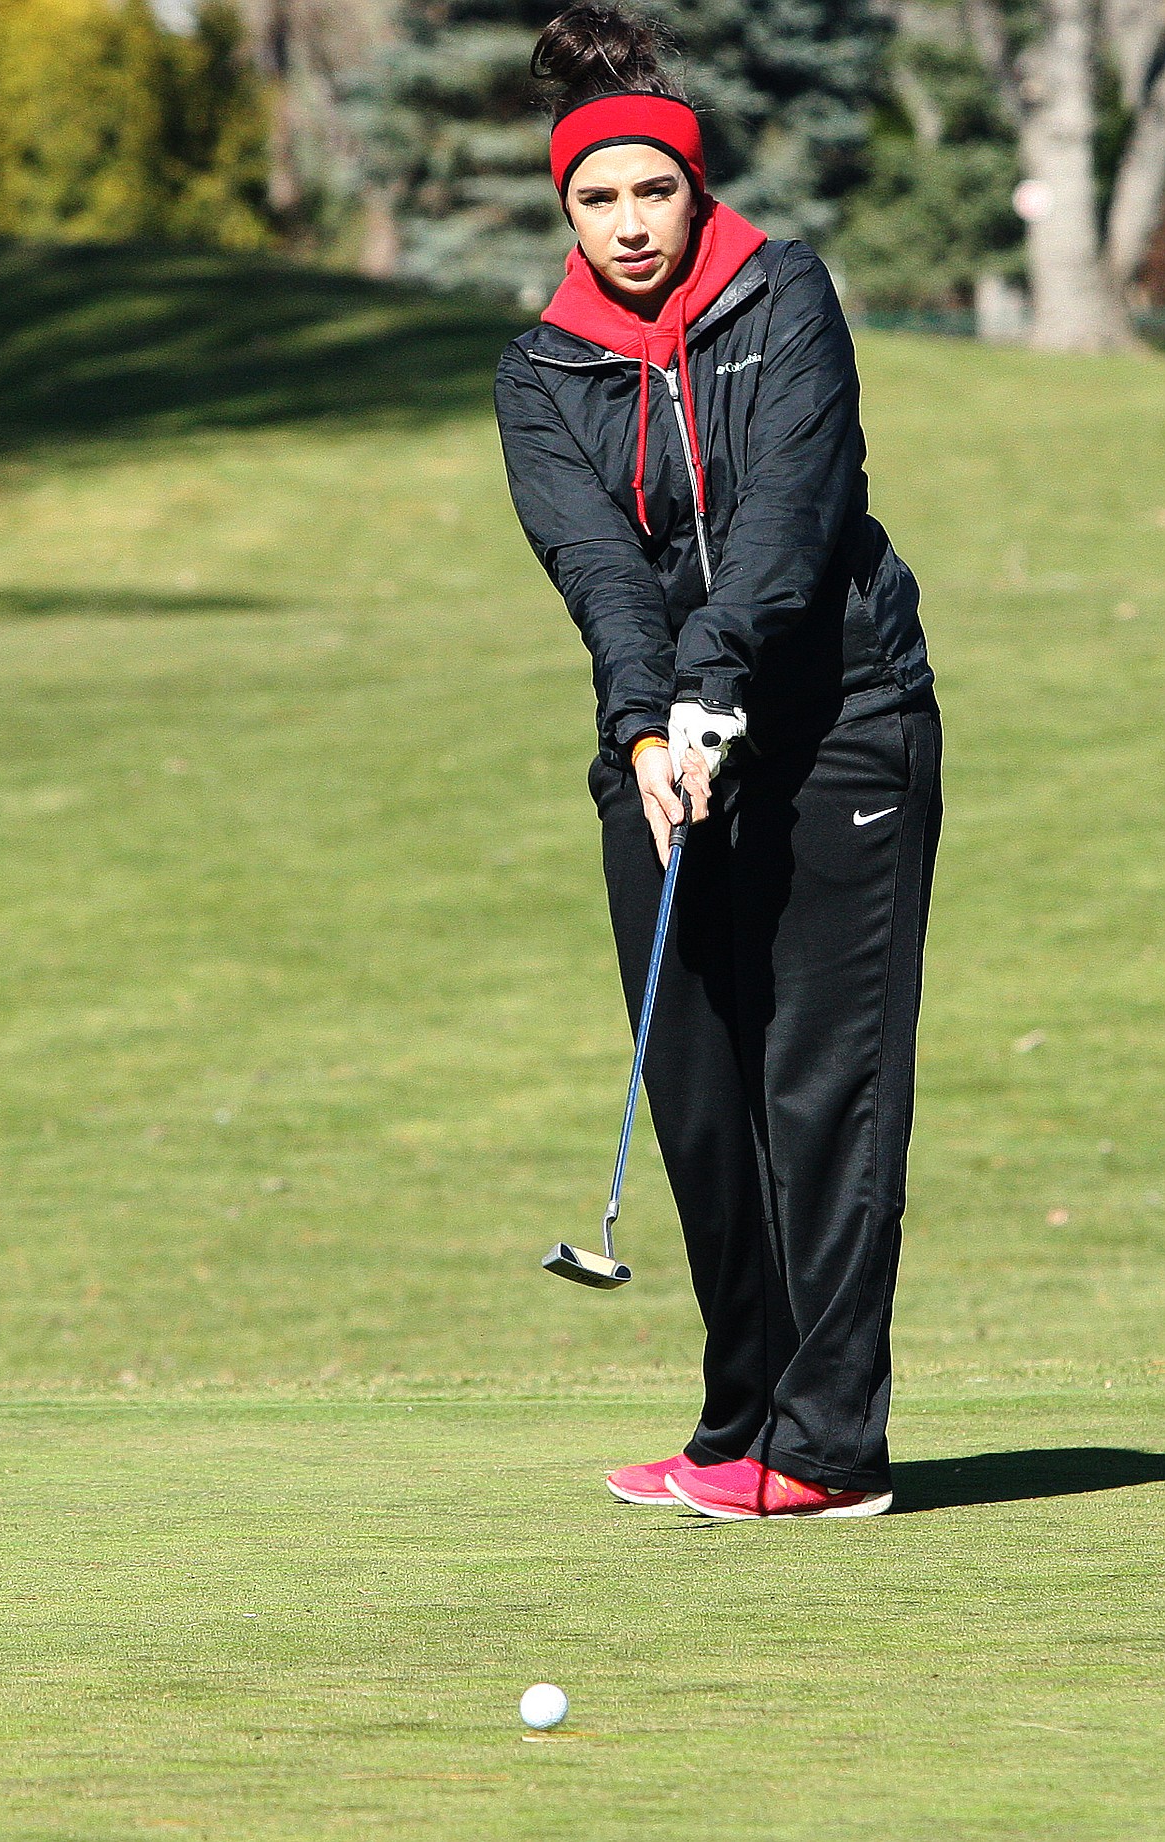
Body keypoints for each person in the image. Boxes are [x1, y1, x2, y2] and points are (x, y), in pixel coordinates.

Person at [494, 2, 942, 1520]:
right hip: (668, 736)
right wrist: (646, 723)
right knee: (694, 1081)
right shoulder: (542, 372)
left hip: (838, 721)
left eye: (653, 191)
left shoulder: (784, 297)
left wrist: (714, 683)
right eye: (596, 200)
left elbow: (788, 520)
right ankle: (738, 1415)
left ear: (696, 191)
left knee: (821, 1086)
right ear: (566, 212)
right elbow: (596, 566)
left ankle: (825, 1446)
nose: (629, 224)